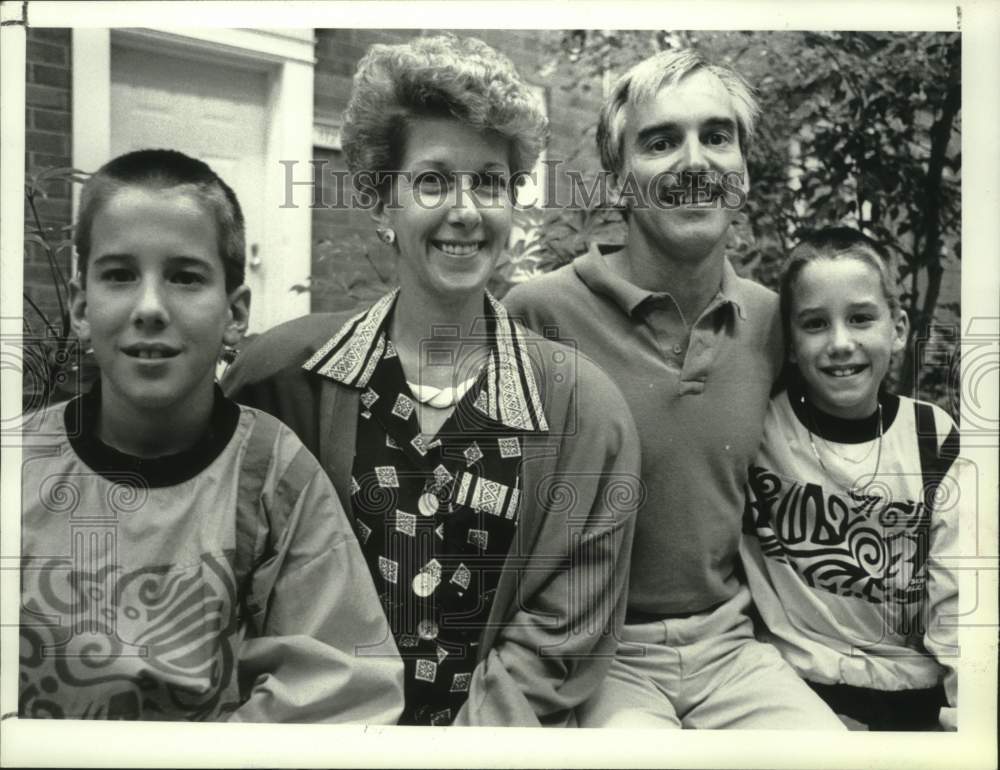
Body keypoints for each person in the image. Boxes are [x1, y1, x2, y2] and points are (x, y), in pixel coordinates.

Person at [224, 34, 641, 728]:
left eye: (489, 181)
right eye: (433, 179)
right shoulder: (280, 383)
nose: (466, 210)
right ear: (382, 199)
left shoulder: (583, 412)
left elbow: (562, 632)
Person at [505, 49, 844, 728]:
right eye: (661, 142)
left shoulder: (774, 322)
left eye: (716, 137)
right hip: (599, 654)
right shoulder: (537, 316)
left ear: (743, 172)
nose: (695, 162)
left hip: (734, 647)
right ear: (620, 181)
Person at [18, 149, 403, 722]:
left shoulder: (272, 475)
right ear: (79, 306)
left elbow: (345, 688)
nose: (149, 307)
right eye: (120, 275)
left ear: (235, 313)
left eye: (185, 277)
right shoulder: (16, 466)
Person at [740, 228, 960, 731]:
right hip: (794, 690)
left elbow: (957, 602)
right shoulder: (761, 432)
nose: (840, 343)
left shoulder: (932, 438)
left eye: (861, 318)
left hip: (912, 691)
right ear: (791, 344)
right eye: (815, 324)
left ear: (898, 328)